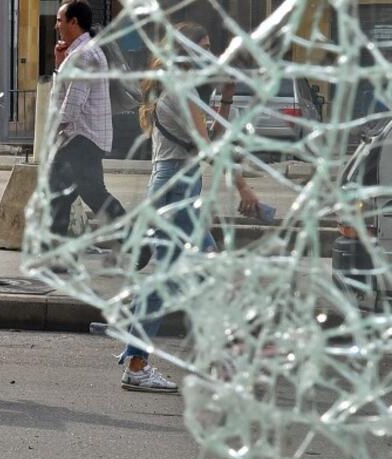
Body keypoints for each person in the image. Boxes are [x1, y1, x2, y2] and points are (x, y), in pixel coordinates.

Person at [118, 21, 261, 393]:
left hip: (177, 184)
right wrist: (244, 187)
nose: (211, 54)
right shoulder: (181, 91)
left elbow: (211, 137)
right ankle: (138, 362)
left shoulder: (177, 89)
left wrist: (226, 98)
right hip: (175, 187)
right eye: (205, 46)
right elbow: (211, 147)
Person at [49, 1, 125, 239]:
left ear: (74, 22)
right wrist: (60, 64)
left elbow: (73, 103)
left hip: (80, 138)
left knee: (62, 195)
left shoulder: (83, 55)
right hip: (85, 138)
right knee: (83, 194)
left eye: (60, 20)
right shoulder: (82, 53)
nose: (57, 25)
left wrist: (53, 131)